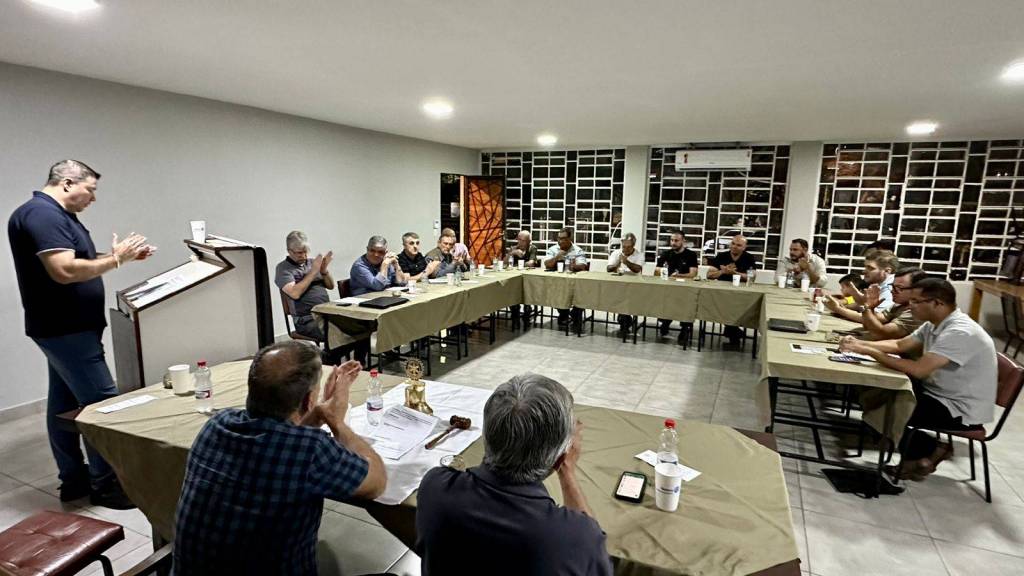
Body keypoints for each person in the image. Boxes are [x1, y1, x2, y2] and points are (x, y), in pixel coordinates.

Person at [8, 159, 155, 510]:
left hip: (64, 328)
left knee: (63, 404)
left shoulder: (55, 215)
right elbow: (63, 270)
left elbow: (79, 258)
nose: (93, 198)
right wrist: (116, 260)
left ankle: (73, 480)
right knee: (104, 404)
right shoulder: (43, 215)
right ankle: (106, 484)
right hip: (66, 328)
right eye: (90, 190)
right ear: (67, 183)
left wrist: (121, 256)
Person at [173, 342, 386, 575]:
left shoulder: (216, 424)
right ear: (308, 400)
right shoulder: (310, 449)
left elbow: (279, 441)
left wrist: (317, 414)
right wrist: (336, 421)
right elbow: (376, 482)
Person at [415, 373, 613, 576]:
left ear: (486, 436)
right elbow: (595, 553)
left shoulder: (435, 487)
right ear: (559, 459)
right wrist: (567, 470)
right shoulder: (578, 537)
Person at [839, 278, 997, 481]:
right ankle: (922, 449)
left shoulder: (960, 331)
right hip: (938, 392)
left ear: (937, 303)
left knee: (889, 404)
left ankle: (928, 450)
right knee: (876, 388)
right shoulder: (934, 324)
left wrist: (870, 351)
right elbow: (899, 345)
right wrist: (859, 344)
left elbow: (919, 370)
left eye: (916, 301)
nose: (910, 305)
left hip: (959, 408)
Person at [833, 268, 926, 347]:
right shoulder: (899, 305)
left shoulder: (916, 311)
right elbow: (869, 326)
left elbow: (881, 333)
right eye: (892, 286)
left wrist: (865, 307)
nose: (892, 291)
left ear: (918, 290)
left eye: (899, 288)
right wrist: (869, 308)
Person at [274, 231, 334, 341]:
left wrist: (324, 271)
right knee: (335, 333)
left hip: (326, 313)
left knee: (356, 326)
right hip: (306, 319)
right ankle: (330, 352)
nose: (304, 256)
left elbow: (331, 286)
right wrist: (313, 272)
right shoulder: (283, 268)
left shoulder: (312, 262)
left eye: (305, 251)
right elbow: (295, 293)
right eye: (299, 253)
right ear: (289, 251)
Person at [707, 235, 758, 348]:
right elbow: (709, 275)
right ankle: (735, 334)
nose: (734, 246)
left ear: (744, 247)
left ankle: (733, 334)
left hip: (741, 294)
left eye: (738, 245)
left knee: (732, 308)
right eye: (733, 243)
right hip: (722, 293)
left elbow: (752, 278)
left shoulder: (749, 258)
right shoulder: (721, 256)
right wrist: (723, 272)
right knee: (722, 306)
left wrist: (735, 273)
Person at [656, 230, 699, 343]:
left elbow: (693, 274)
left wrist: (678, 275)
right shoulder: (666, 254)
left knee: (687, 304)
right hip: (668, 288)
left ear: (683, 241)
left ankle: (684, 329)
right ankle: (666, 321)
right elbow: (656, 270)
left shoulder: (691, 255)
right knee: (665, 300)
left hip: (685, 289)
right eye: (672, 240)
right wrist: (663, 272)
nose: (673, 243)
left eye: (676, 240)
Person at [544, 227, 589, 328]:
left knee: (583, 292)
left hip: (574, 284)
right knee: (555, 291)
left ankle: (574, 313)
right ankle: (564, 313)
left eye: (563, 238)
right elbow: (547, 264)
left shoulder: (577, 250)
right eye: (559, 238)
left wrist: (574, 266)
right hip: (557, 284)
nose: (560, 241)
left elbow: (583, 266)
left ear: (569, 238)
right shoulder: (553, 249)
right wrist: (556, 257)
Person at [836, 250, 899, 316]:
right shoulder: (876, 283)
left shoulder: (891, 288)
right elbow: (860, 302)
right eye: (865, 267)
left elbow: (876, 316)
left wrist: (839, 309)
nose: (864, 271)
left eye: (871, 268)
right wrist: (843, 304)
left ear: (887, 271)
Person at [606, 232, 644, 335]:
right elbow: (608, 269)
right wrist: (617, 263)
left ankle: (625, 322)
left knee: (624, 301)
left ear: (633, 245)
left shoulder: (639, 255)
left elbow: (637, 269)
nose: (625, 249)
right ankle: (625, 320)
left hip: (633, 287)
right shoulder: (616, 253)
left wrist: (626, 262)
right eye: (624, 246)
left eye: (628, 247)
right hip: (618, 285)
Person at [506, 230, 538, 326]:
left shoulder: (532, 248)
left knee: (527, 290)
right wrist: (512, 253)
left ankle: (527, 311)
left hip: (528, 278)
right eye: (519, 240)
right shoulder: (514, 248)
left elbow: (531, 263)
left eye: (523, 240)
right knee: (510, 289)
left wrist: (518, 265)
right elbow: (504, 262)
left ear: (529, 241)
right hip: (514, 278)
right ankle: (515, 311)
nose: (520, 242)